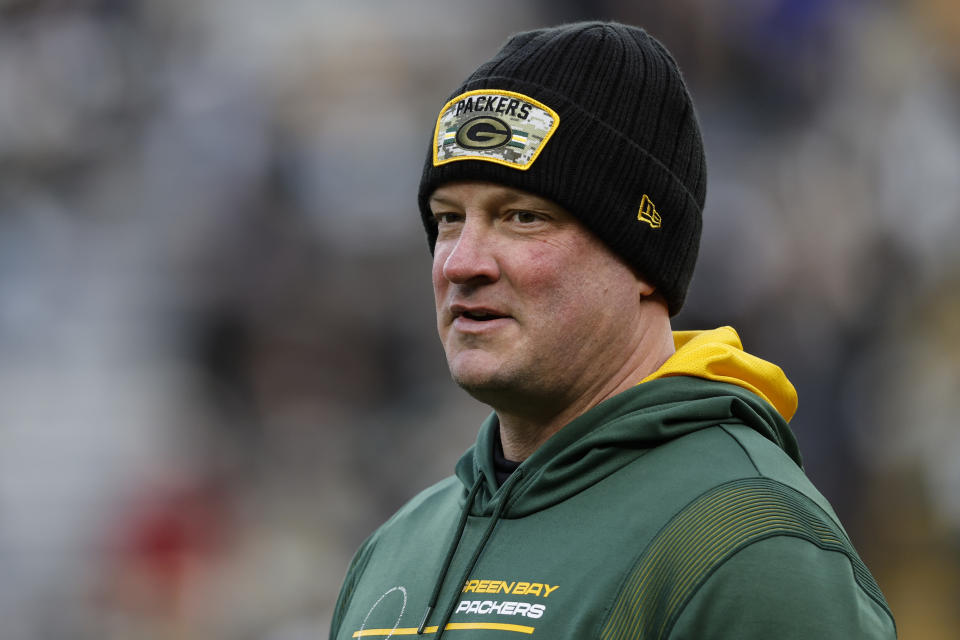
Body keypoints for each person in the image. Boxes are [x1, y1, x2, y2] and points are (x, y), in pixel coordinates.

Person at [330, 21, 896, 639]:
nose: (462, 262)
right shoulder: (399, 547)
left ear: (644, 262)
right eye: (448, 219)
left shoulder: (753, 547)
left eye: (522, 217)